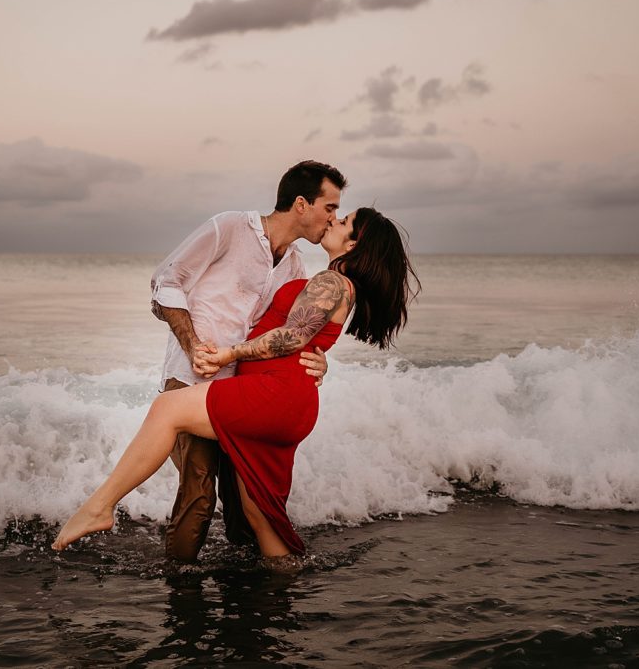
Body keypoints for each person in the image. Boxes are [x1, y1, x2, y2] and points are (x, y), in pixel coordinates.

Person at [53, 207, 420, 557]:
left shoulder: (331, 281)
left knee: (167, 409)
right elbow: (306, 336)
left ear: (353, 244)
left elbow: (291, 337)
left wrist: (229, 355)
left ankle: (99, 507)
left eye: (343, 220)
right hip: (286, 398)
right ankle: (281, 584)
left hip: (275, 395)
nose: (334, 221)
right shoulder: (327, 280)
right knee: (260, 516)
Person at [149, 160, 345, 562]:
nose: (334, 219)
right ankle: (179, 591)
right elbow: (165, 282)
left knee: (244, 507)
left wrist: (320, 360)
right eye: (330, 208)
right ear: (302, 205)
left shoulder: (294, 266)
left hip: (244, 393)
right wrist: (191, 345)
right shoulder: (230, 227)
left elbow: (290, 332)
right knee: (199, 493)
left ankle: (249, 595)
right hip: (192, 382)